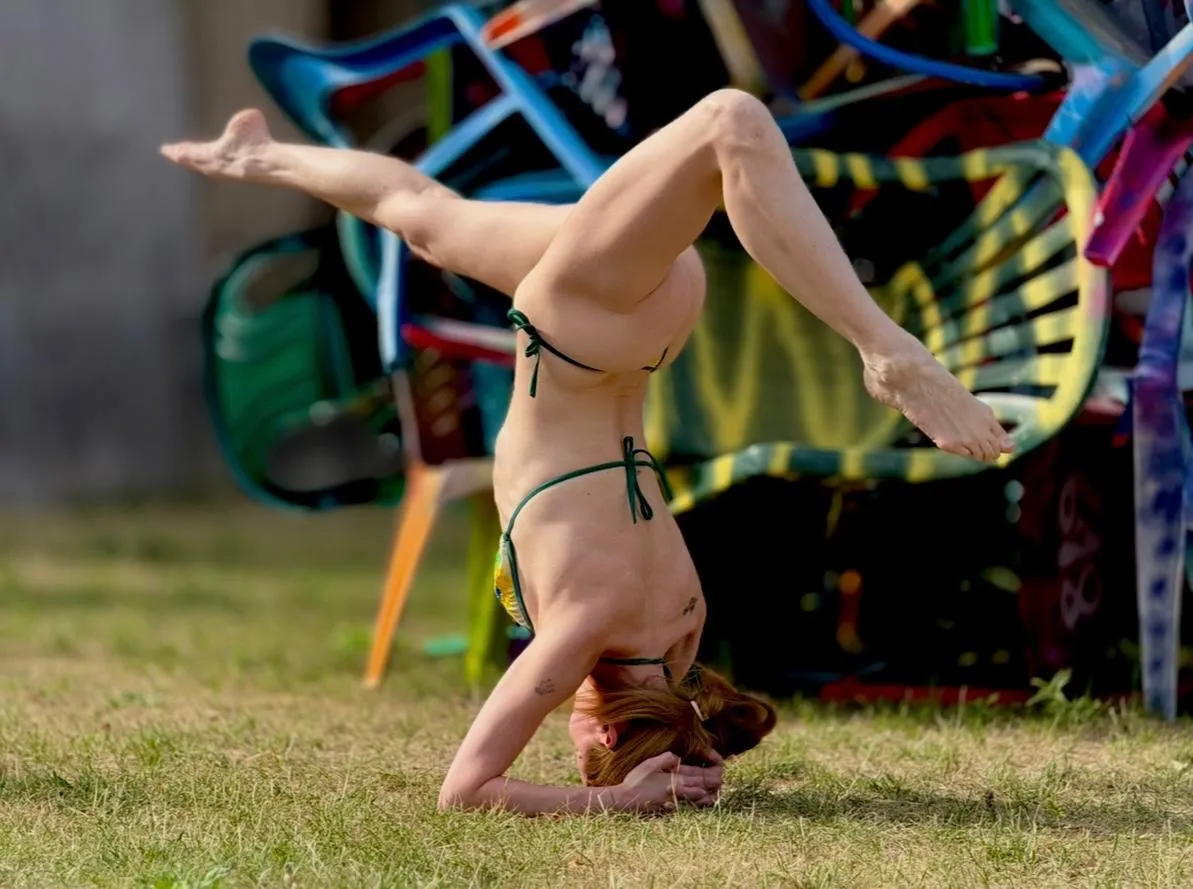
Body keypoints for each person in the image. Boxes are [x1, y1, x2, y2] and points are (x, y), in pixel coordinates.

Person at [162, 88, 1013, 816]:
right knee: (730, 121)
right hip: (580, 326)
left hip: (639, 330)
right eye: (579, 746)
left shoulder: (681, 634)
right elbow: (466, 790)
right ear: (603, 726)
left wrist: (685, 760)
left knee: (425, 218)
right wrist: (610, 798)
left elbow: (674, 716)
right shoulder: (586, 627)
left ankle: (259, 156)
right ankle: (887, 351)